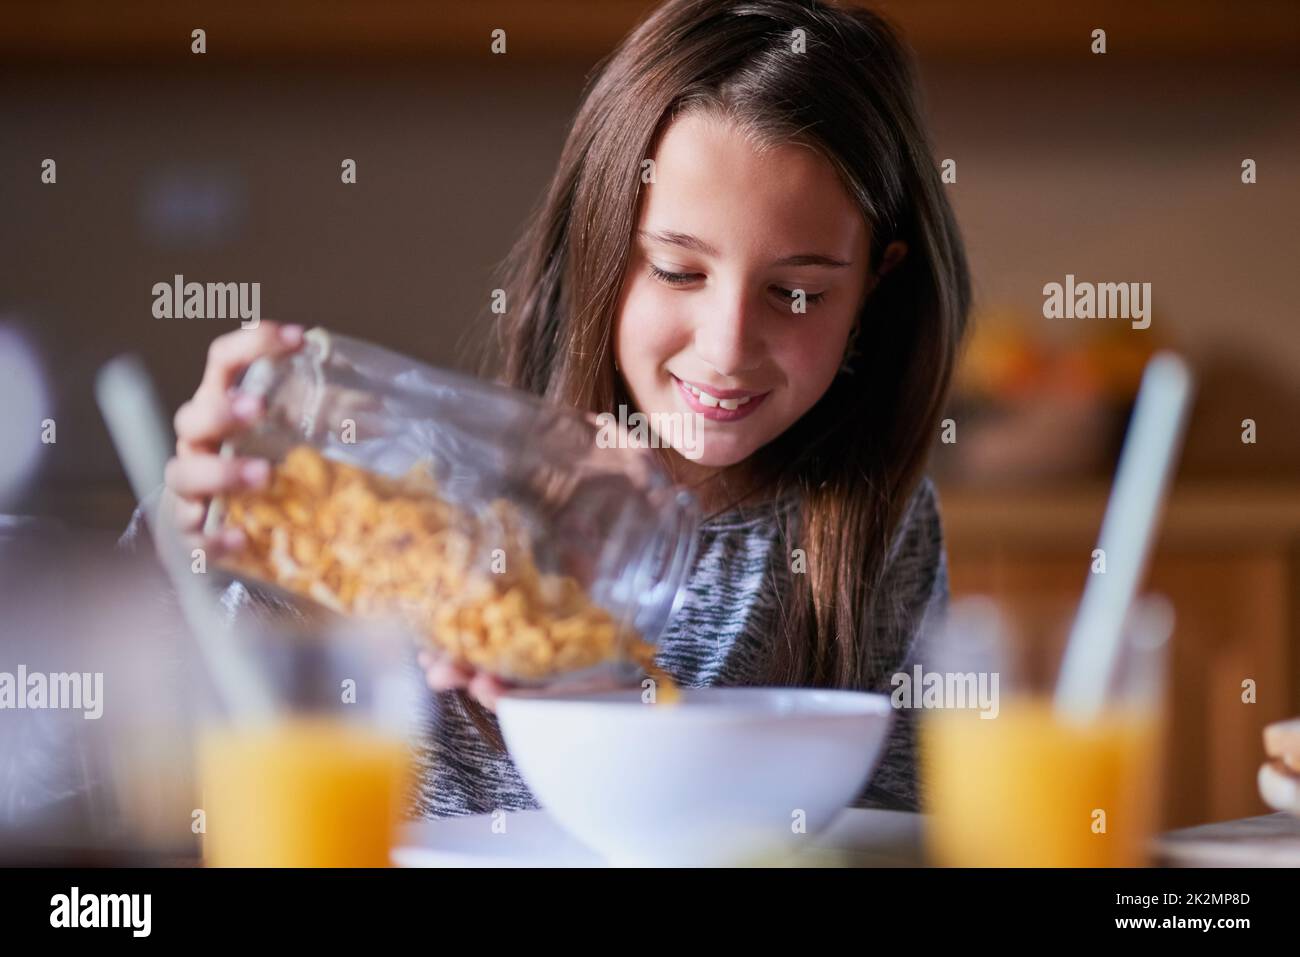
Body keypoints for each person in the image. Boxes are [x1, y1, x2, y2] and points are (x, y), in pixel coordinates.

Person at [131, 0, 971, 817]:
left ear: (874, 286)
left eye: (796, 292)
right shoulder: (411, 504)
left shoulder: (871, 532)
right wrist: (184, 530)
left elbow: (887, 835)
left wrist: (599, 709)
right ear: (598, 244)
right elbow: (108, 765)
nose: (726, 344)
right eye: (678, 271)